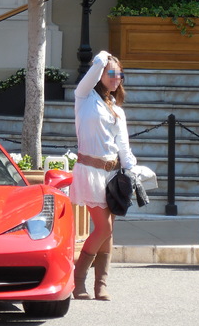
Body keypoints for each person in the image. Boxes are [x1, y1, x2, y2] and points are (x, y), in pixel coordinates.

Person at [71, 50, 136, 301]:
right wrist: (104, 57)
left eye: (120, 74)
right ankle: (78, 281)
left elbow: (124, 146)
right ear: (100, 75)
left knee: (108, 231)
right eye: (111, 73)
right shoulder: (84, 96)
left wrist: (130, 170)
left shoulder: (117, 110)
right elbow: (97, 64)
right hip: (90, 171)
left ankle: (101, 285)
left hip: (113, 175)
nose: (116, 77)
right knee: (103, 228)